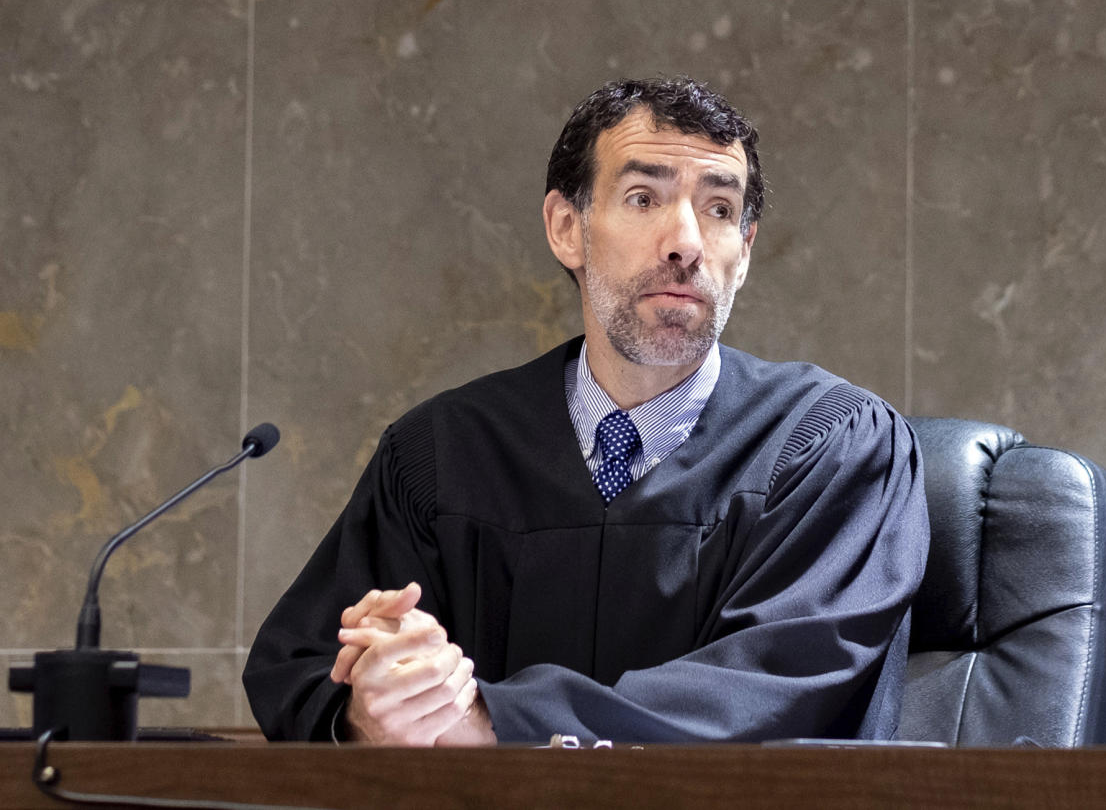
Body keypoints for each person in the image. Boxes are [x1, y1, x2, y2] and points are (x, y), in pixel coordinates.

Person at [243, 76, 930, 746]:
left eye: (720, 209)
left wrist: (491, 722)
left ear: (743, 254)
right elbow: (300, 670)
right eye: (642, 197)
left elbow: (770, 689)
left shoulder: (835, 448)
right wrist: (380, 705)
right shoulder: (443, 455)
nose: (686, 241)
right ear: (566, 227)